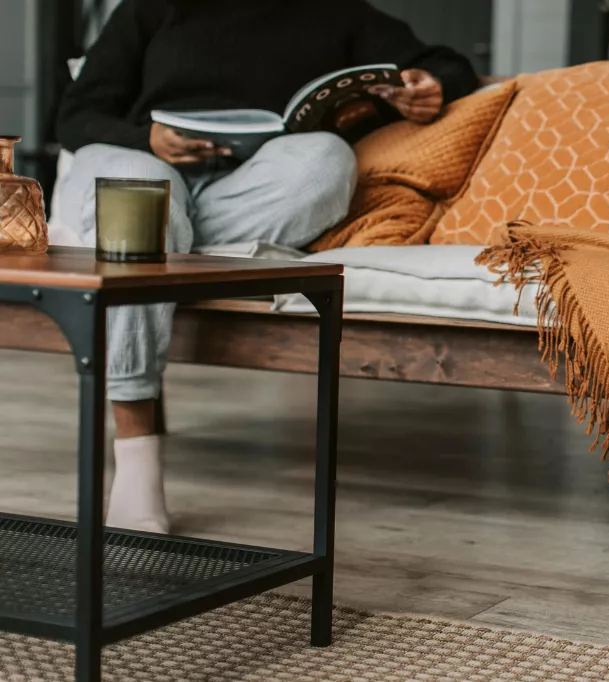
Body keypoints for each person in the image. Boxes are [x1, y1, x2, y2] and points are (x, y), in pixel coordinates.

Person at [55, 0, 478, 534]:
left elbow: (446, 62)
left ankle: (169, 240)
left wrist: (431, 84)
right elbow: (74, 117)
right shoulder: (150, 7)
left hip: (245, 193)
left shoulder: (336, 13)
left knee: (325, 158)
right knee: (142, 190)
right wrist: (149, 139)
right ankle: (137, 455)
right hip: (139, 164)